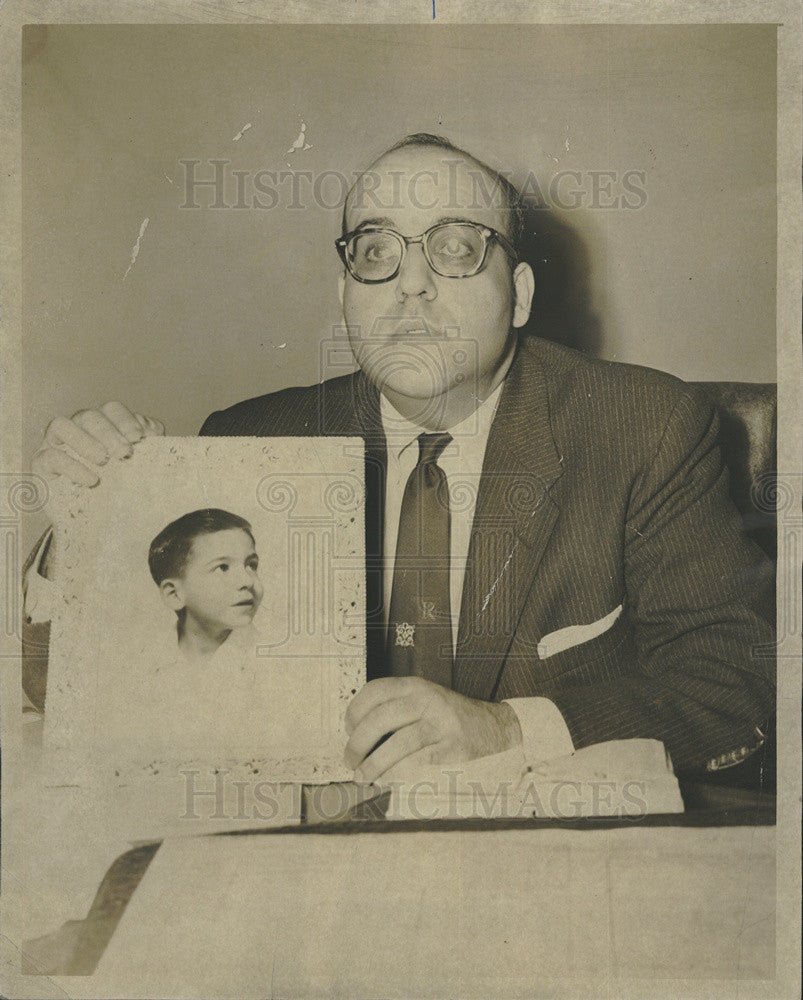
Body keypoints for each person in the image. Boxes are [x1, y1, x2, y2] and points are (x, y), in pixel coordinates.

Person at [26, 132, 775, 785]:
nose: (410, 282)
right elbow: (59, 688)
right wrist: (82, 530)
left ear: (516, 294)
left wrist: (509, 729)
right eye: (376, 251)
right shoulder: (255, 439)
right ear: (346, 293)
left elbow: (734, 685)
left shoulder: (643, 427)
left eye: (455, 247)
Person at [147, 508, 264, 659]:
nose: (247, 581)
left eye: (251, 565)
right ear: (174, 594)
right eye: (223, 568)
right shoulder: (147, 661)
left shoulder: (269, 659)